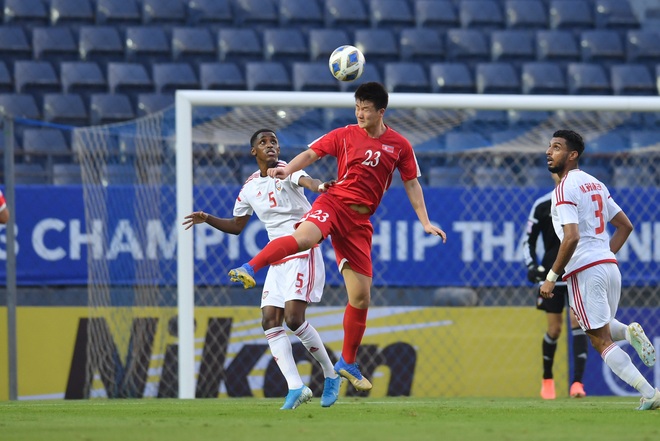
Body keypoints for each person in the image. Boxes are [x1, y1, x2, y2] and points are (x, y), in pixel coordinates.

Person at [228, 82, 447, 392]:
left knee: (360, 297)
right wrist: (286, 168)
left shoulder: (399, 146)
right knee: (303, 238)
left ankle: (346, 362)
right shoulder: (344, 134)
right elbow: (311, 154)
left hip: (360, 222)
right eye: (356, 107)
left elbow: (412, 183)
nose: (359, 113)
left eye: (365, 109)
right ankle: (251, 267)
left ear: (380, 112)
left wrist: (425, 222)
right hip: (335, 202)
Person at [183, 129, 341, 410]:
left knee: (294, 320)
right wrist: (207, 218)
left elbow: (307, 179)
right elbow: (237, 226)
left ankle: (331, 374)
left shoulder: (286, 170)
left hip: (302, 252)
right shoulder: (249, 187)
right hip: (276, 260)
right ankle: (296, 387)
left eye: (274, 142)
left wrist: (319, 188)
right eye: (263, 143)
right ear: (253, 151)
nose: (271, 146)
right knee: (270, 321)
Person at [540, 129, 659, 410]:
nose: (549, 151)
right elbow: (625, 226)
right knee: (590, 323)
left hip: (585, 269)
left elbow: (571, 237)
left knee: (598, 339)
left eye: (556, 147)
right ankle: (629, 333)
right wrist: (604, 254)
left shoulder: (564, 188)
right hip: (608, 265)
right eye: (549, 146)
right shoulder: (596, 183)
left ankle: (650, 393)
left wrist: (551, 277)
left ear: (572, 155)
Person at [524, 173, 588, 400]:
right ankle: (547, 379)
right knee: (554, 329)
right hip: (551, 274)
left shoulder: (583, 201)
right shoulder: (542, 205)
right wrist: (532, 266)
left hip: (577, 271)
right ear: (552, 175)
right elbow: (528, 240)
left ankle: (577, 384)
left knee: (577, 321)